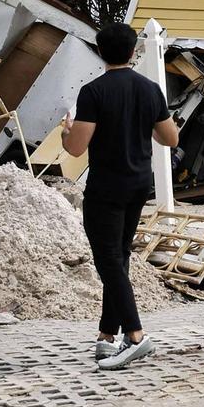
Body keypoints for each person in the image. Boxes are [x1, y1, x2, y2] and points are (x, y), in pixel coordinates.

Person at [62, 22, 179, 370]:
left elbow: (77, 148)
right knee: (120, 256)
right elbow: (169, 139)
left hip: (106, 187)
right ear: (133, 52)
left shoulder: (93, 92)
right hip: (139, 184)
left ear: (101, 52)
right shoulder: (149, 89)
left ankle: (136, 336)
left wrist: (68, 132)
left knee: (108, 260)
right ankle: (106, 335)